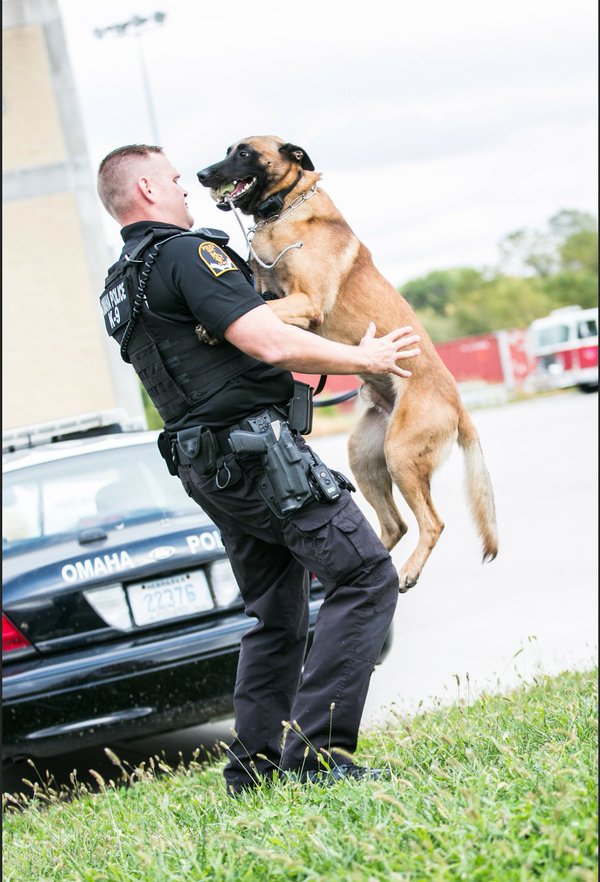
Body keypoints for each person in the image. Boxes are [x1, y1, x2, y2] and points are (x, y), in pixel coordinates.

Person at [96, 144, 421, 796]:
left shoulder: (119, 282)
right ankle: (318, 755)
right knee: (364, 574)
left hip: (210, 469)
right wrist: (371, 358)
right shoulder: (189, 253)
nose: (185, 189)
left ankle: (255, 767)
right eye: (172, 180)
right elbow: (265, 339)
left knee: (275, 614)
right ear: (149, 194)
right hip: (258, 456)